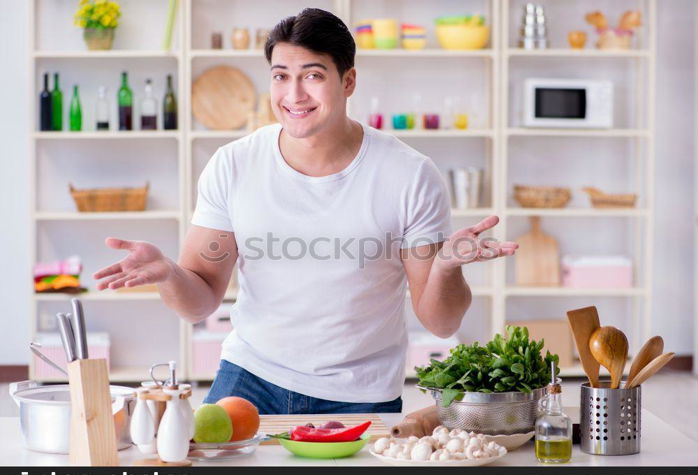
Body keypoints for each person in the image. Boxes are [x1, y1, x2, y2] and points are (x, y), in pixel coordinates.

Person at [93, 8, 518, 414]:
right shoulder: (233, 164)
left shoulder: (409, 175)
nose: (294, 95)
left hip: (361, 392)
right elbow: (199, 303)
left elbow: (441, 323)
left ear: (348, 81)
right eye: (281, 77)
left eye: (313, 76)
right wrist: (168, 273)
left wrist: (445, 266)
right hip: (250, 375)